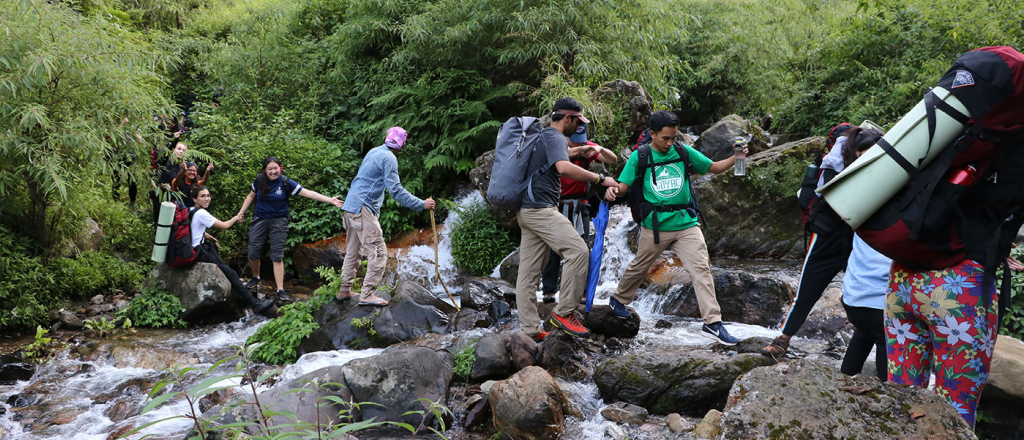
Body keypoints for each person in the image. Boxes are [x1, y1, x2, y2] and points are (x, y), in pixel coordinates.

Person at [604, 110, 746, 346]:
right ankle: (618, 299)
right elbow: (623, 188)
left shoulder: (682, 150)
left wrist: (737, 157)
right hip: (656, 225)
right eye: (665, 138)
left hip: (686, 223)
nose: (670, 143)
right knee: (640, 265)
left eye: (673, 137)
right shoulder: (640, 156)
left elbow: (714, 168)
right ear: (652, 134)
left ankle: (712, 322)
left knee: (701, 268)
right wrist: (612, 190)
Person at [762, 126, 874, 357]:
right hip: (828, 235)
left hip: (859, 236)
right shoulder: (833, 165)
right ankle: (783, 339)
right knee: (807, 290)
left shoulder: (878, 166)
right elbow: (829, 199)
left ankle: (869, 340)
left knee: (866, 292)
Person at [514, 97, 620, 341]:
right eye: (578, 121)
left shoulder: (543, 136)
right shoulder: (555, 137)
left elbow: (559, 157)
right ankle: (563, 313)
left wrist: (579, 151)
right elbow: (562, 167)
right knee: (579, 251)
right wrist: (599, 179)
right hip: (541, 210)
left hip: (527, 211)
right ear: (568, 118)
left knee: (528, 274)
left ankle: (530, 330)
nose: (579, 127)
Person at [335, 127, 435, 306]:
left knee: (352, 251)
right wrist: (422, 204)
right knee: (378, 252)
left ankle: (344, 290)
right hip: (362, 208)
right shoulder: (389, 158)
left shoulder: (375, 151)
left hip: (351, 206)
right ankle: (366, 294)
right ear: (402, 144)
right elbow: (396, 191)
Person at [236, 156, 344, 299]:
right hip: (260, 219)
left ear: (280, 168)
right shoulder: (259, 180)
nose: (273, 172)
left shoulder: (286, 183)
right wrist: (241, 212)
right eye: (270, 169)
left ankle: (280, 290)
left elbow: (308, 193)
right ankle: (256, 277)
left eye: (276, 168)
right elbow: (250, 196)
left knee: (277, 255)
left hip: (279, 221)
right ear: (265, 170)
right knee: (253, 252)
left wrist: (330, 200)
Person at [835, 131, 891, 381]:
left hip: (853, 295)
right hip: (877, 300)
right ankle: (892, 399)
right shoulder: (892, 194)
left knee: (864, 333)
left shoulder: (856, 196)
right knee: (884, 339)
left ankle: (842, 382)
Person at [540, 123, 617, 303]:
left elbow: (612, 159)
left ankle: (581, 292)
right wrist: (579, 150)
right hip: (556, 203)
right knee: (553, 248)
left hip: (580, 203)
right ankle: (548, 292)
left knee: (583, 246)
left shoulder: (585, 146)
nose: (577, 144)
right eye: (574, 142)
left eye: (580, 142)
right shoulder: (557, 146)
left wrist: (598, 149)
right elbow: (558, 162)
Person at [189, 186, 273, 315]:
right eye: (203, 196)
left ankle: (245, 301)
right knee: (231, 274)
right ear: (195, 198)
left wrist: (210, 237)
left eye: (208, 195)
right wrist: (237, 217)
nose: (207, 199)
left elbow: (194, 230)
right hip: (200, 252)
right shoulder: (201, 213)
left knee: (228, 273)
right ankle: (254, 304)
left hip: (194, 249)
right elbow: (225, 225)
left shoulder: (191, 210)